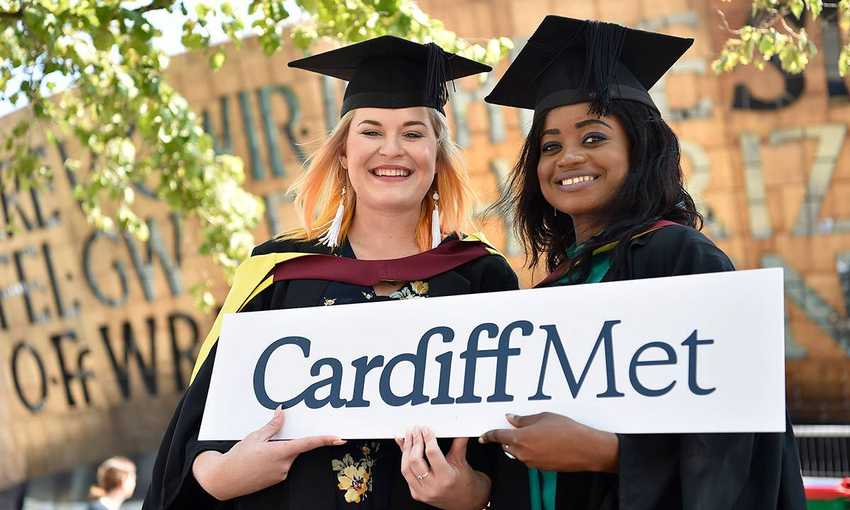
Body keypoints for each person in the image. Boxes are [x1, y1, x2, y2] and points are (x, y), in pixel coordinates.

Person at [143, 35, 518, 510]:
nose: (392, 149)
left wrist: (473, 494)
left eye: (414, 132)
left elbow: (510, 454)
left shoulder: (482, 278)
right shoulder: (278, 272)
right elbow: (198, 427)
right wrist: (218, 474)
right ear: (343, 152)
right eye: (370, 131)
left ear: (438, 155)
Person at [478, 15, 807, 510]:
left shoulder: (683, 259)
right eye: (551, 146)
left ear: (641, 147)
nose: (568, 158)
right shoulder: (555, 289)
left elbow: (741, 442)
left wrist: (611, 455)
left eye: (593, 138)